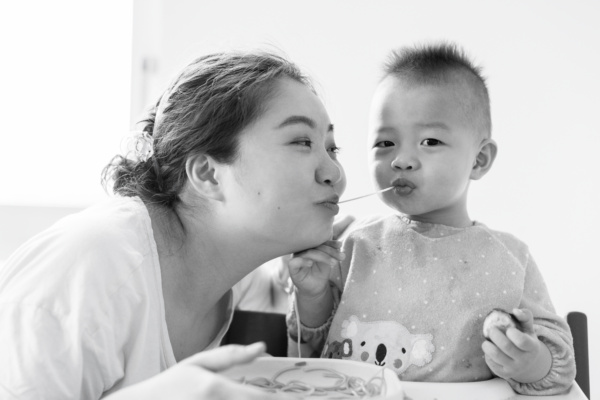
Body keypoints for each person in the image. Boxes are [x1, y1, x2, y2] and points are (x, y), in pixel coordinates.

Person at [0, 50, 346, 399]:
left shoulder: (230, 272)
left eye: (332, 148)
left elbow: (278, 297)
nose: (336, 174)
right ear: (208, 174)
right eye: (302, 142)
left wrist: (308, 291)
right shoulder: (91, 268)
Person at [285, 42, 576, 395]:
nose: (402, 160)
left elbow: (560, 370)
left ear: (479, 160)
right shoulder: (354, 244)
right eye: (385, 144)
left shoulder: (511, 258)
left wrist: (533, 363)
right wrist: (312, 295)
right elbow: (308, 356)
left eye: (431, 141)